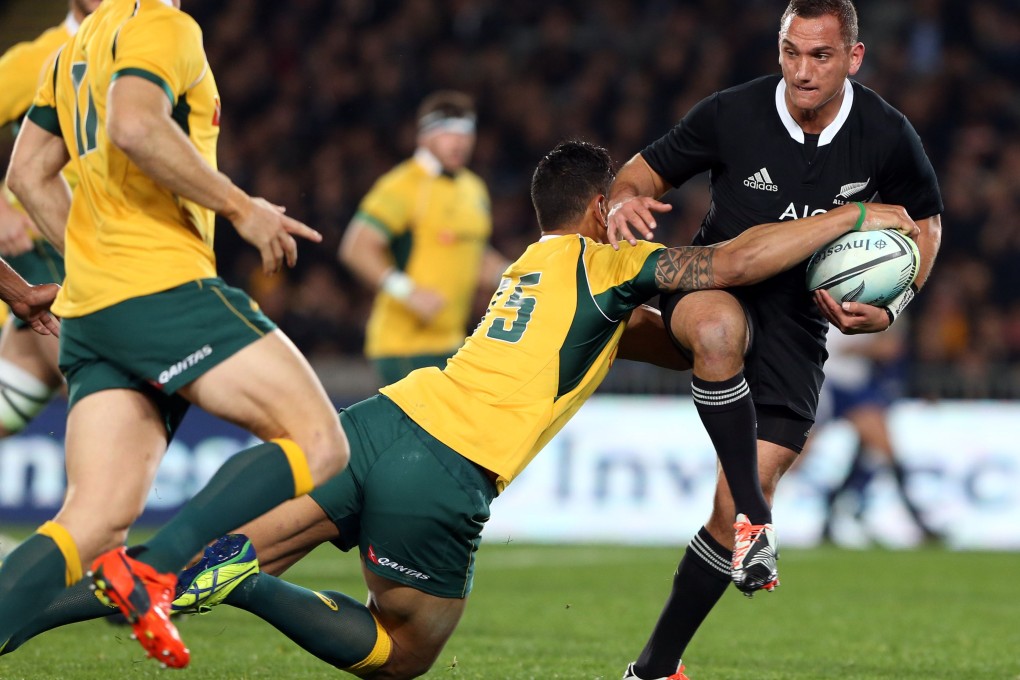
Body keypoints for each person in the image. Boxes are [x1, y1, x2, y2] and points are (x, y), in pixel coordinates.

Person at [0, 140, 918, 678]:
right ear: (603, 211)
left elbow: (630, 337)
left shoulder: (530, 265)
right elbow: (733, 262)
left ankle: (30, 611)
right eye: (629, 205)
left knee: (184, 566)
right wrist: (843, 219)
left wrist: (704, 348)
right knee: (403, 652)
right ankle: (248, 582)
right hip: (441, 473)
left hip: (379, 422)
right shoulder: (607, 264)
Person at [0, 0, 349, 669]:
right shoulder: (161, 24)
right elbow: (134, 126)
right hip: (160, 291)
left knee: (91, 521)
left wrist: (89, 266)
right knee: (320, 442)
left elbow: (27, 174)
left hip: (96, 309)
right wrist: (240, 207)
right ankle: (156, 570)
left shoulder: (77, 48)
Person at [607, 1, 943, 678]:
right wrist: (624, 200)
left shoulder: (884, 132)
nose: (803, 70)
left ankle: (654, 669)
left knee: (728, 504)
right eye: (791, 52)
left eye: (821, 56)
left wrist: (897, 301)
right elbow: (641, 173)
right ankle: (758, 522)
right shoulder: (733, 112)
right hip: (712, 286)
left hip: (800, 323)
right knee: (717, 328)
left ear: (853, 57)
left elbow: (925, 223)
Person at [339, 90, 508, 386]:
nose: (458, 141)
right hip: (404, 346)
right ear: (424, 137)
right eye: (447, 132)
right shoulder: (403, 185)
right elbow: (356, 247)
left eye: (465, 132)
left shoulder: (474, 188)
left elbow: (474, 255)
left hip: (453, 342)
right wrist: (407, 291)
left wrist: (517, 276)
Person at [0, 0, 101, 439]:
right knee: (104, 397)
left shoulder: (135, 54)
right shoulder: (33, 60)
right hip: (37, 256)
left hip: (101, 255)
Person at [815, 318, 940, 544]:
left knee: (877, 452)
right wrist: (874, 346)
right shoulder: (834, 306)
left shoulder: (864, 302)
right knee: (792, 458)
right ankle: (919, 522)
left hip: (854, 389)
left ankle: (829, 521)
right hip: (832, 385)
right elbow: (845, 347)